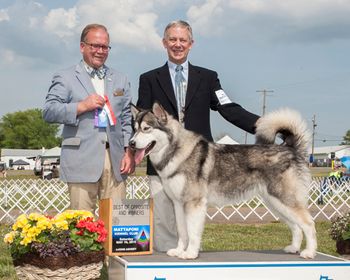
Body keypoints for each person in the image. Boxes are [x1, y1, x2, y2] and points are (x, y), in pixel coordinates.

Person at [136, 20, 260, 252]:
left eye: (183, 40)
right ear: (164, 43)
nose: (177, 44)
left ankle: (188, 258)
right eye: (172, 39)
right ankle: (167, 266)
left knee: (192, 210)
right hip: (161, 162)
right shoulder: (149, 78)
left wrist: (259, 125)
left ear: (191, 44)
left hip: (197, 161)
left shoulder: (208, 77)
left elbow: (227, 107)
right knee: (163, 218)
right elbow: (142, 120)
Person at [43, 23, 135, 214]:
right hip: (81, 159)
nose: (100, 51)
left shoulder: (121, 79)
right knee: (82, 226)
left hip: (115, 160)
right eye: (94, 45)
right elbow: (49, 111)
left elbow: (126, 118)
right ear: (82, 46)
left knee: (115, 224)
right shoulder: (65, 76)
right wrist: (81, 106)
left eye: (104, 47)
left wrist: (128, 151)